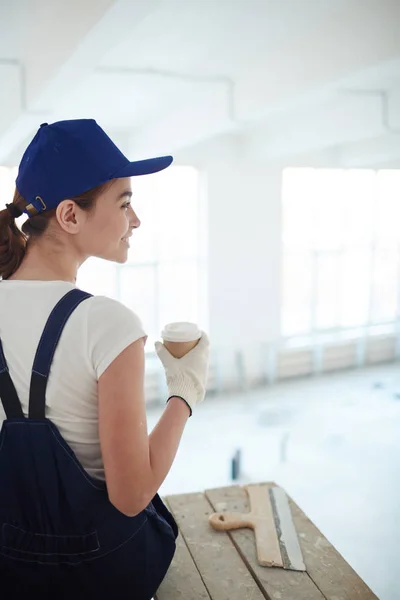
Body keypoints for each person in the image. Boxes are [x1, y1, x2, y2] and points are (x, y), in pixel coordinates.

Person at [0, 119, 210, 599]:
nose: (136, 221)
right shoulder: (107, 322)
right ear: (70, 216)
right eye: (125, 203)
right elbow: (131, 496)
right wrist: (185, 390)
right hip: (103, 574)